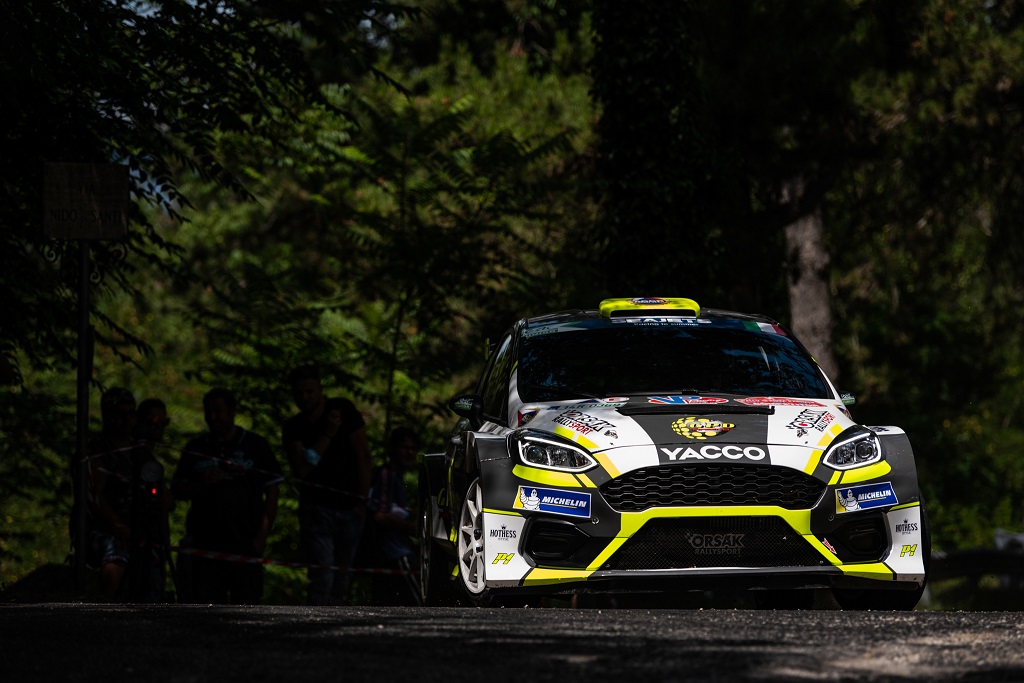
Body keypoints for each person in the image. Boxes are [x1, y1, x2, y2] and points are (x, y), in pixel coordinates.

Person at [171, 388, 283, 604]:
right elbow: (177, 489)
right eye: (208, 412)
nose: (213, 417)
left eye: (218, 411)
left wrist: (260, 538)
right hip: (205, 545)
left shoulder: (255, 445)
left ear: (232, 412)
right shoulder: (196, 447)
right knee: (206, 606)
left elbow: (273, 490)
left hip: (245, 543)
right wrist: (201, 484)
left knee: (247, 605)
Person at [282, 365, 371, 606]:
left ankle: (339, 619)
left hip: (350, 507)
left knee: (343, 577)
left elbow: (363, 455)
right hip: (316, 510)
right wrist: (328, 433)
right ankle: (317, 618)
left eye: (309, 391)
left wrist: (362, 503)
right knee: (322, 575)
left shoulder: (343, 410)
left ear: (320, 389)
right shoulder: (294, 427)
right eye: (299, 392)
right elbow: (302, 470)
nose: (304, 397)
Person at [84, 387, 161, 600]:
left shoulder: (139, 451)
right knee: (114, 559)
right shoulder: (96, 450)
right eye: (119, 414)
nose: (126, 420)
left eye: (131, 414)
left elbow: (158, 488)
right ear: (107, 416)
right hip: (105, 530)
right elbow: (94, 494)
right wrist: (116, 523)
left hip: (140, 530)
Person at [365, 427, 420, 606]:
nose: (409, 453)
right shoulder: (386, 475)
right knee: (418, 600)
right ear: (393, 449)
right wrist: (414, 529)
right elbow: (380, 515)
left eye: (413, 449)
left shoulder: (397, 477)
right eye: (405, 448)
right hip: (393, 552)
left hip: (393, 552)